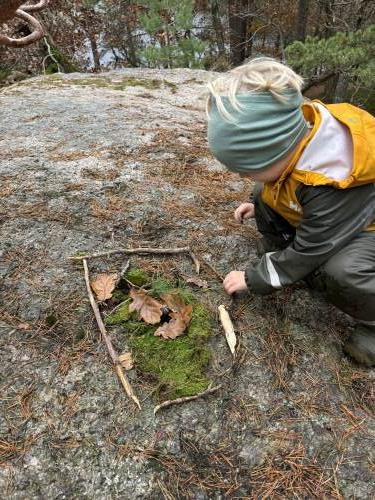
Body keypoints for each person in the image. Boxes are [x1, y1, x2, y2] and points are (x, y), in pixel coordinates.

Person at [206, 57, 375, 367]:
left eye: (249, 169)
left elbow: (313, 247)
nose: (245, 176)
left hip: (367, 230)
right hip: (328, 222)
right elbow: (279, 179)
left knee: (343, 270)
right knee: (262, 194)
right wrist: (257, 201)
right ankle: (283, 257)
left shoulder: (331, 180)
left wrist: (256, 278)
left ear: (280, 149)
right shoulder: (297, 141)